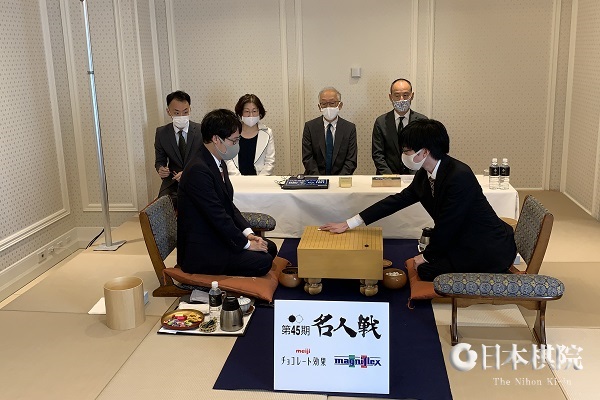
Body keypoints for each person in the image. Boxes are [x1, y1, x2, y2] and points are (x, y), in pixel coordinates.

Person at [321, 119, 516, 281]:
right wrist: (350, 223)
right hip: (460, 238)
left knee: (425, 270)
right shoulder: (425, 173)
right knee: (423, 266)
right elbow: (397, 200)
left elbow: (448, 225)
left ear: (424, 152)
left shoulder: (459, 176)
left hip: (486, 246)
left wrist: (426, 256)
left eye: (407, 151)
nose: (403, 156)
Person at [177, 109, 278, 276]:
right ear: (216, 139)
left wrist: (248, 234)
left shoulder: (217, 159)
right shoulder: (198, 170)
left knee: (270, 248)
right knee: (263, 261)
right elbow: (217, 216)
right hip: (202, 248)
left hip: (217, 236)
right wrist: (246, 244)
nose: (237, 145)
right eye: (234, 140)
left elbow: (228, 206)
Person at [154, 91, 203, 208]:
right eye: (176, 113)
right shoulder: (161, 133)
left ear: (190, 109)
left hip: (197, 179)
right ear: (168, 112)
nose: (181, 116)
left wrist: (188, 173)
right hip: (172, 182)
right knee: (162, 206)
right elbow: (159, 161)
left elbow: (207, 160)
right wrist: (161, 169)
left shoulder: (201, 130)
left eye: (185, 112)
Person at [372, 78, 427, 175]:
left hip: (416, 176)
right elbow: (377, 154)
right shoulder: (381, 122)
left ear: (412, 96)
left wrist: (414, 176)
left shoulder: (422, 121)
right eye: (397, 95)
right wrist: (390, 176)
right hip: (387, 177)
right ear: (390, 97)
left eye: (405, 95)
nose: (401, 99)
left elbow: (425, 152)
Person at [302, 87, 357, 175]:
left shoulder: (349, 128)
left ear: (340, 105)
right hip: (315, 177)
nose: (328, 107)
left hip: (341, 178)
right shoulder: (310, 127)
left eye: (332, 103)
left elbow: (351, 160)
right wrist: (320, 179)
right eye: (324, 103)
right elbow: (307, 157)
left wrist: (338, 179)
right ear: (319, 107)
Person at [225, 94, 275, 175]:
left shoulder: (267, 132)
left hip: (261, 179)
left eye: (254, 111)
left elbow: (270, 161)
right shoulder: (231, 132)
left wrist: (260, 180)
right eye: (247, 111)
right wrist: (238, 178)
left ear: (259, 112)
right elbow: (228, 158)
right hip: (236, 179)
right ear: (241, 113)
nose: (251, 115)